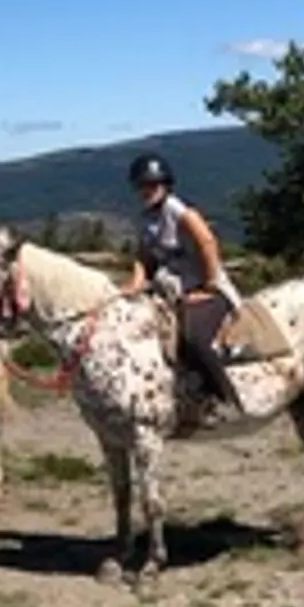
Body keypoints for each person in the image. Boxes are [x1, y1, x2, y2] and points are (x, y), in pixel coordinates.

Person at [124, 153, 242, 412]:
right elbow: (143, 257)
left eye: (153, 184)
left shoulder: (178, 210)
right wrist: (136, 283)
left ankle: (223, 398)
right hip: (170, 290)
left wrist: (209, 285)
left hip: (205, 286)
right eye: (142, 185)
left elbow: (207, 243)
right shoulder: (146, 219)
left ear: (165, 185)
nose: (147, 190)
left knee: (194, 338)